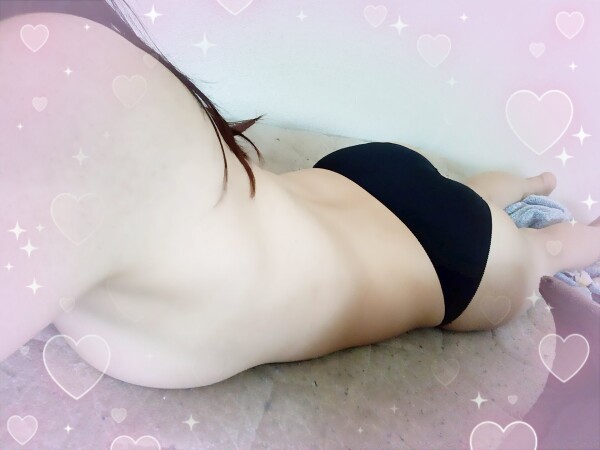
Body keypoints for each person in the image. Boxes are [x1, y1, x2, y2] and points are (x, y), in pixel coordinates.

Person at [1, 1, 599, 389]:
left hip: (444, 261)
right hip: (360, 173)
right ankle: (531, 184)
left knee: (540, 251)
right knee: (466, 204)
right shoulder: (66, 38)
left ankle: (536, 204)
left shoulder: (44, 96)